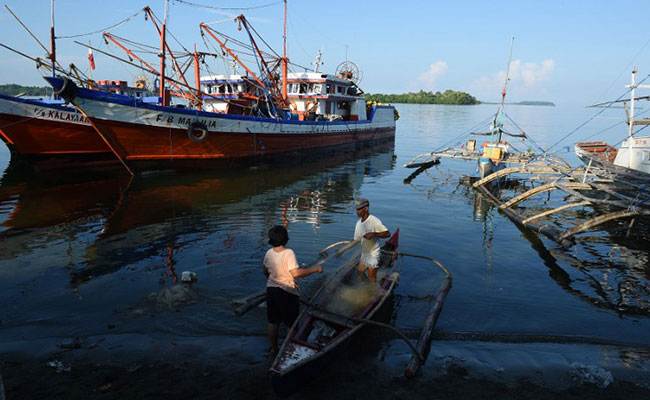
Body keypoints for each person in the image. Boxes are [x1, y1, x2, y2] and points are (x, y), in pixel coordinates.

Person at [263, 225, 322, 355]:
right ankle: (290, 352)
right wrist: (315, 269)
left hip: (271, 291)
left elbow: (265, 271)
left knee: (273, 322)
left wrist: (273, 279)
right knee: (292, 324)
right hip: (287, 292)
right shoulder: (288, 253)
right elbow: (296, 273)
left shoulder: (268, 253)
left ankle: (274, 349)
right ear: (286, 239)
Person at [353, 198, 390, 283]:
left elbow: (387, 234)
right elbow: (355, 240)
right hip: (365, 252)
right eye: (356, 209)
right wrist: (343, 250)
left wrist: (374, 234)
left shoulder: (374, 221)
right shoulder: (358, 224)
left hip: (373, 253)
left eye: (359, 209)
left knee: (371, 277)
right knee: (360, 272)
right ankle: (367, 287)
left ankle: (373, 290)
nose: (357, 211)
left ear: (366, 208)